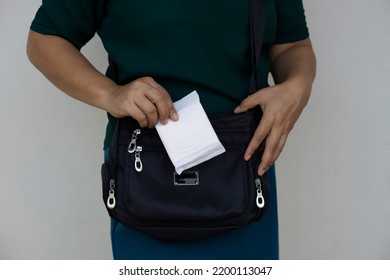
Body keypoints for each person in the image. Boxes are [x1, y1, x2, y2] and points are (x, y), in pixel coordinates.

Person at [27, 0, 316, 260]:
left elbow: (292, 46)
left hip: (243, 165)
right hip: (143, 168)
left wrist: (296, 86)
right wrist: (110, 94)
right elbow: (45, 39)